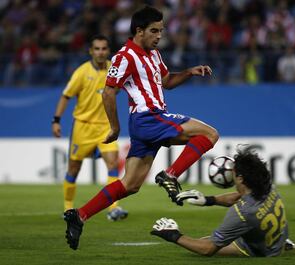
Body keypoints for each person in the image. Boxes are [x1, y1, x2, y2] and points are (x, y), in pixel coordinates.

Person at [63, 6, 218, 250]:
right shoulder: (125, 57)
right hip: (148, 118)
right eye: (154, 31)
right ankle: (170, 175)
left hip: (149, 122)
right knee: (209, 134)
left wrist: (189, 72)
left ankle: (79, 215)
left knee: (130, 185)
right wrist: (114, 128)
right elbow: (109, 92)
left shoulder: (153, 53)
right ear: (139, 31)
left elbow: (166, 82)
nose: (159, 36)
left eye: (161, 31)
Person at [151, 149, 295, 257]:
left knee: (201, 243)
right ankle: (280, 242)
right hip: (277, 238)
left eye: (234, 171)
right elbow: (238, 196)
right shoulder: (268, 187)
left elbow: (208, 249)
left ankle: (266, 244)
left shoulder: (242, 213)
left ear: (240, 178)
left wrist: (173, 235)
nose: (231, 173)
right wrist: (208, 200)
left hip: (259, 250)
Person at [52, 35, 128, 222]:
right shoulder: (81, 72)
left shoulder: (114, 69)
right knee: (73, 169)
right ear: (91, 51)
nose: (101, 52)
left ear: (108, 50)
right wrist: (56, 120)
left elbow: (120, 87)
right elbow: (65, 96)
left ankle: (114, 208)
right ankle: (68, 207)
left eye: (104, 48)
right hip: (83, 127)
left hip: (105, 126)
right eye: (97, 49)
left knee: (112, 164)